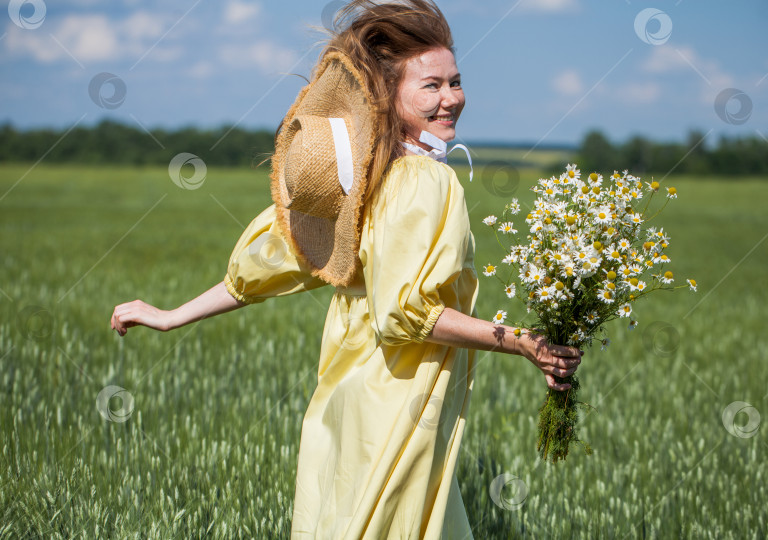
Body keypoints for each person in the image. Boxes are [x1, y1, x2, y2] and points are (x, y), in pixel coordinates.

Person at [110, 1, 582, 537]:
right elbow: (405, 314)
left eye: (456, 81)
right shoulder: (427, 181)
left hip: (344, 403)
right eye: (431, 86)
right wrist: (521, 341)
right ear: (387, 95)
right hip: (396, 404)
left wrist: (173, 315)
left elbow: (275, 262)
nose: (451, 98)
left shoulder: (360, 180)